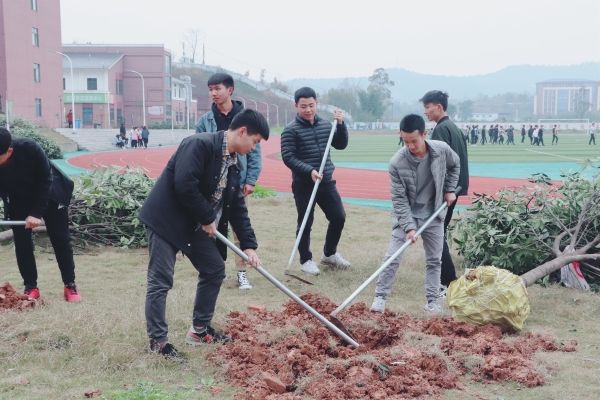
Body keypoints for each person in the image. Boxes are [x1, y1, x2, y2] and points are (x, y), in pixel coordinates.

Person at [139, 109, 269, 359]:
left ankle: (199, 330)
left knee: (214, 269)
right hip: (166, 220)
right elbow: (184, 184)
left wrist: (249, 245)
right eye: (254, 142)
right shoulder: (199, 144)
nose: (253, 148)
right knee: (161, 280)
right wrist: (207, 217)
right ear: (242, 132)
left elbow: (237, 208)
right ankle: (158, 342)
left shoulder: (233, 164)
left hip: (193, 224)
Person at [371, 114, 460, 314]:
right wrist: (409, 227)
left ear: (424, 134)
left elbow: (456, 165)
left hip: (434, 214)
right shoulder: (397, 163)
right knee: (392, 257)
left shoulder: (441, 150)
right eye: (405, 141)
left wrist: (450, 189)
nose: (410, 146)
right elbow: (399, 200)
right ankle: (380, 298)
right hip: (408, 215)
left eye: (414, 141)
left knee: (435, 260)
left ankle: (432, 301)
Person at [196, 73, 262, 290]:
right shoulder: (205, 121)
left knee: (237, 228)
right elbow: (197, 149)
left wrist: (250, 180)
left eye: (218, 89)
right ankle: (217, 271)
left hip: (237, 184)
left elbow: (254, 152)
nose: (213, 93)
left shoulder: (245, 118)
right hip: (212, 186)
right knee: (212, 228)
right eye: (210, 89)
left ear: (230, 90)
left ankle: (242, 273)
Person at [0, 127, 81, 302]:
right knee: (22, 243)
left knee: (60, 239)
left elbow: (46, 180)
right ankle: (31, 287)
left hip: (50, 193)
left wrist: (36, 213)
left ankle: (70, 285)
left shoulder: (30, 148)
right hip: (19, 198)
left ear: (10, 151)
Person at [281, 87, 350, 276]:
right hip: (304, 183)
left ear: (316, 104)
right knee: (305, 221)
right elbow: (288, 157)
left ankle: (329, 254)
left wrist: (341, 124)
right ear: (296, 106)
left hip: (326, 181)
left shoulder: (327, 125)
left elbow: (341, 144)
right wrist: (308, 170)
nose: (308, 110)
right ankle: (306, 260)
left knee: (338, 216)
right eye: (303, 106)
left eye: (311, 105)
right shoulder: (290, 130)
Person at [420, 90, 468, 290]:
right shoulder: (454, 128)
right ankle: (447, 279)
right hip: (456, 188)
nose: (425, 111)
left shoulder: (440, 130)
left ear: (439, 107)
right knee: (439, 232)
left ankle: (447, 281)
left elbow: (439, 165)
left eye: (428, 107)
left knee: (435, 234)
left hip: (447, 190)